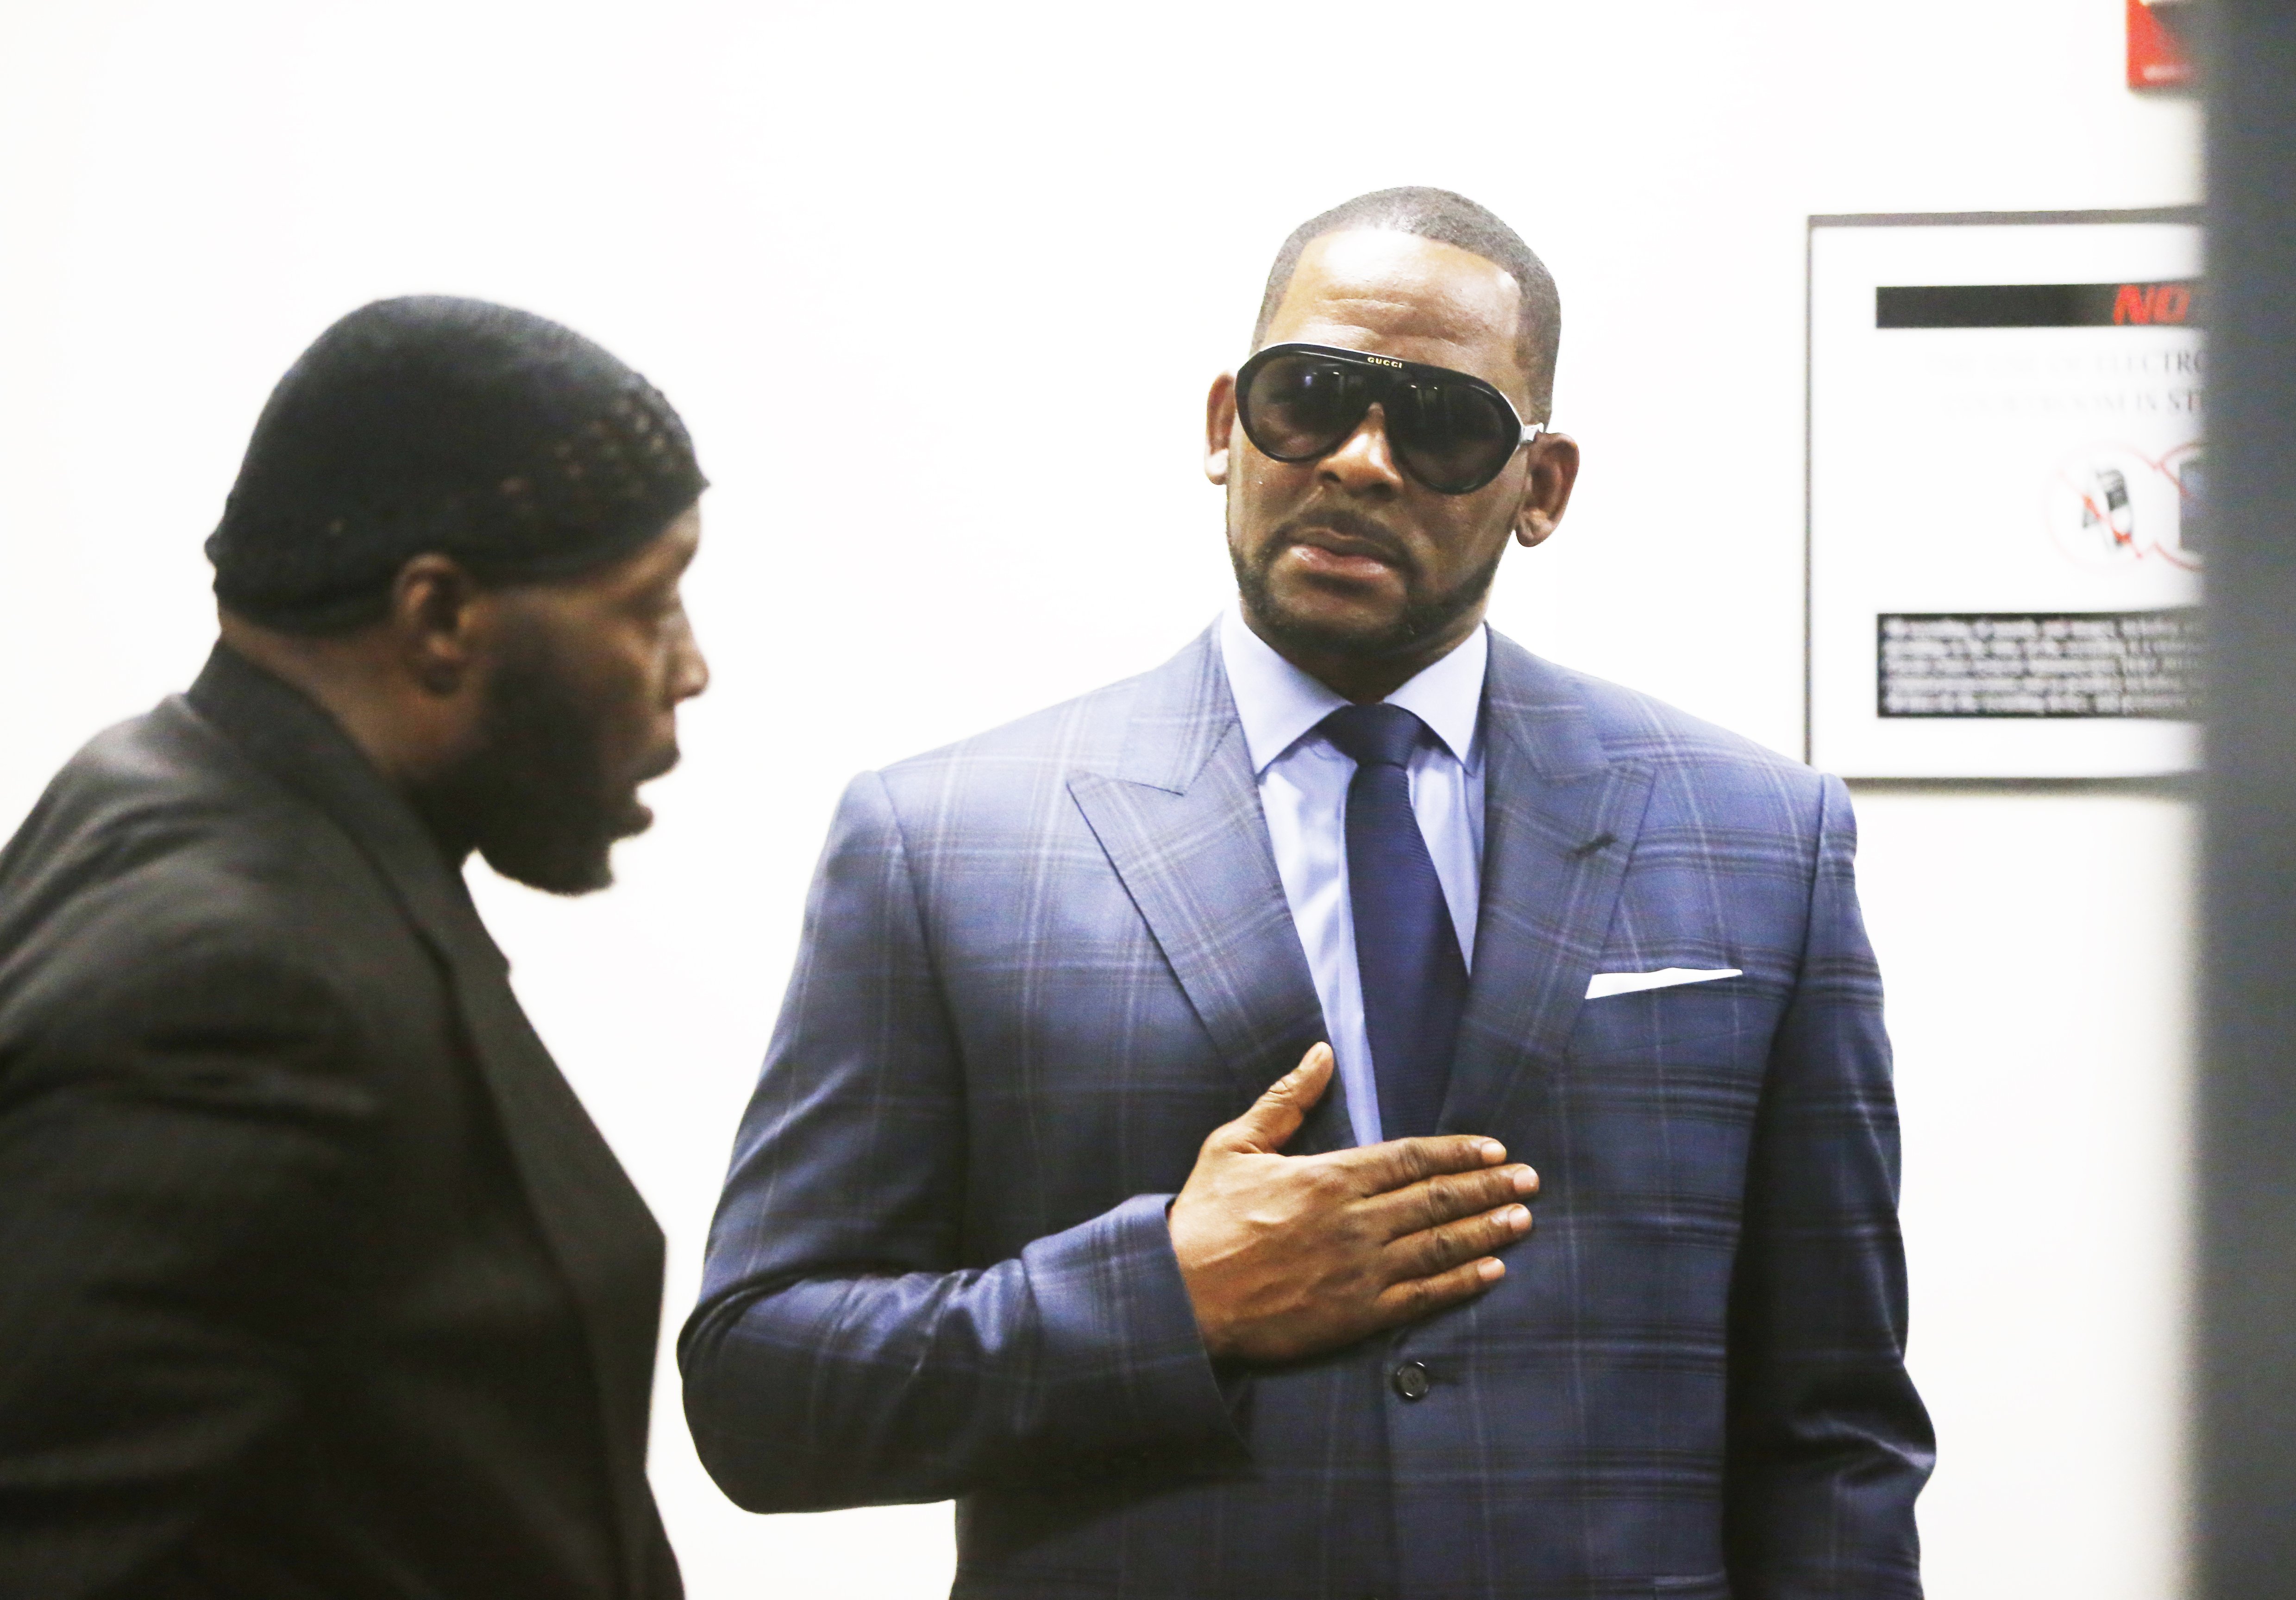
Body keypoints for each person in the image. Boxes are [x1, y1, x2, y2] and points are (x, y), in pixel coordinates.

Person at [683, 188, 1933, 1598]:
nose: (1359, 461)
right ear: (1224, 425)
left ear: (1543, 489)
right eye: (1309, 398)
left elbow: (1835, 1431)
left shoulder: (1760, 840)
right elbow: (761, 1387)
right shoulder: (943, 845)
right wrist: (1166, 1300)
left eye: (1444, 426)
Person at [0, 297, 708, 1598]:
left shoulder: (173, 786)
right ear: (440, 617)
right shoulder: (242, 988)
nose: (692, 669)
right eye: (649, 606)